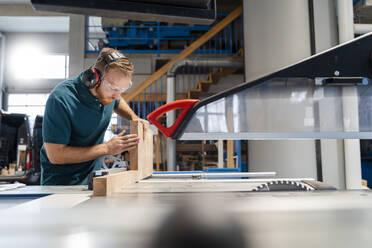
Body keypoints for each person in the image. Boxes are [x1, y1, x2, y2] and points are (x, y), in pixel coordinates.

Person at [40, 48, 149, 185]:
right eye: (114, 89)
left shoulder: (108, 93)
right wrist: (106, 148)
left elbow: (117, 102)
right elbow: (55, 155)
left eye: (122, 90)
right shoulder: (61, 99)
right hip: (61, 186)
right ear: (93, 79)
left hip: (93, 181)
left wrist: (134, 117)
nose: (117, 95)